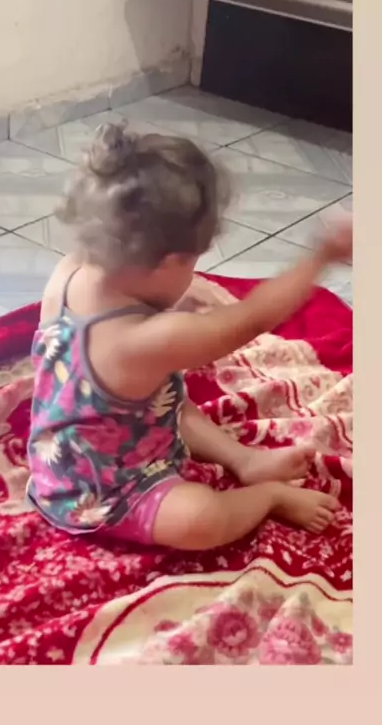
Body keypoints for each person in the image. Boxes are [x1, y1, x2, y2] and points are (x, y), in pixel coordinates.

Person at [27, 123, 351, 551]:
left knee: (169, 398)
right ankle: (267, 496)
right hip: (117, 493)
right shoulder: (146, 341)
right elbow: (251, 319)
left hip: (58, 465)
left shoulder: (70, 270)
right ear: (168, 263)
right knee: (199, 519)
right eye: (192, 263)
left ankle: (244, 459)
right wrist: (322, 256)